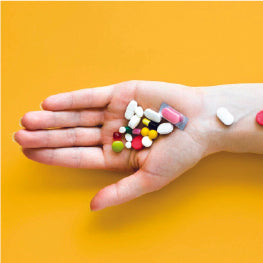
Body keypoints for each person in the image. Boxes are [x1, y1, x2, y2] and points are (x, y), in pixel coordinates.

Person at [13, 81, 263, 211]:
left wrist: (207, 118)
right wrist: (209, 111)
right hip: (140, 131)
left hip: (142, 131)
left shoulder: (151, 126)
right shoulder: (143, 126)